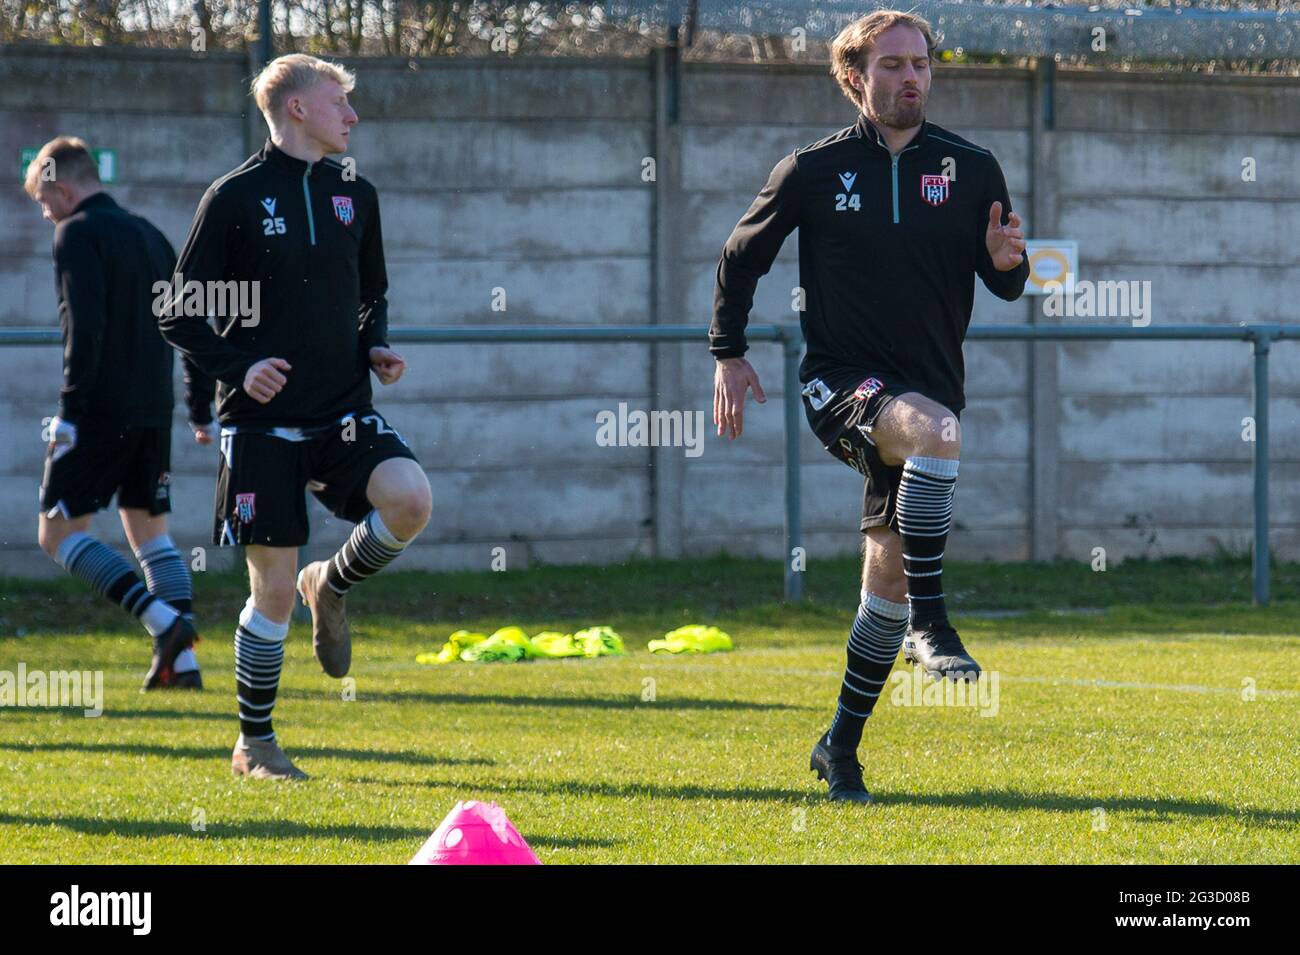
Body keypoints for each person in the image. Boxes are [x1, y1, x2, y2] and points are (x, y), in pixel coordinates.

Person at [709, 11, 1029, 803]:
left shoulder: (972, 167)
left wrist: (1005, 266)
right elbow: (739, 257)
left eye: (921, 63)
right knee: (937, 432)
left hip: (927, 400)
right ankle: (937, 620)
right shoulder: (810, 170)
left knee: (882, 581)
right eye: (891, 65)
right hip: (841, 385)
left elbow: (1007, 279)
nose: (911, 77)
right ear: (856, 78)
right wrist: (728, 352)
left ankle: (838, 748)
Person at [161, 55, 432, 780]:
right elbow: (179, 310)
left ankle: (333, 583)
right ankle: (255, 743)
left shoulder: (358, 193)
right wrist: (238, 364)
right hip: (260, 425)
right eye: (339, 101)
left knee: (410, 499)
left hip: (343, 411)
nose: (352, 115)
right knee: (270, 590)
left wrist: (375, 343)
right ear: (298, 109)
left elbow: (372, 291)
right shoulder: (234, 197)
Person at [26, 136, 211, 691]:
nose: (44, 212)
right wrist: (199, 405)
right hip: (153, 408)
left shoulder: (76, 233)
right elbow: (192, 321)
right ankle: (185, 665)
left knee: (56, 533)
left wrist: (70, 411)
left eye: (43, 199)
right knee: (150, 532)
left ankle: (165, 624)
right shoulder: (150, 234)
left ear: (62, 187)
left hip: (101, 410)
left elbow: (83, 327)